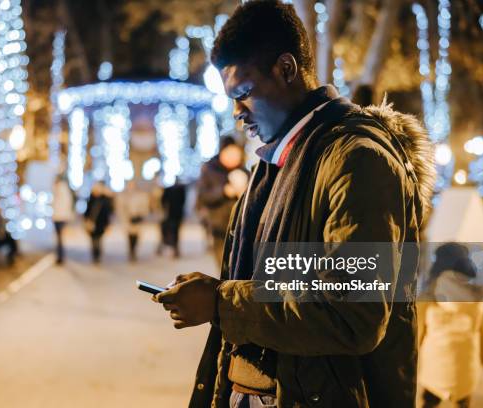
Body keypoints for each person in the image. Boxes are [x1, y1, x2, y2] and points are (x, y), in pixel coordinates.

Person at [153, 1, 436, 407]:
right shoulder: (275, 161)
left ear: (286, 69)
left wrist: (220, 302)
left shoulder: (358, 160)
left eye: (244, 93)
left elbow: (353, 314)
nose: (238, 113)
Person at [417, 243, 483, 408]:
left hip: (434, 370)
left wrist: (412, 357)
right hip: (465, 373)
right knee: (463, 401)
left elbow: (417, 330)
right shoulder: (478, 297)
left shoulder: (429, 295)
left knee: (429, 401)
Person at [196, 136, 248, 264]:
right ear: (222, 153)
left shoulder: (244, 171)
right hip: (219, 224)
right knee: (223, 262)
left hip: (241, 223)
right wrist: (224, 191)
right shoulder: (209, 169)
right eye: (229, 153)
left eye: (236, 154)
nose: (233, 157)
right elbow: (203, 195)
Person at [116, 180, 150, 262]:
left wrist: (140, 214)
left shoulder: (141, 195)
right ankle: (131, 251)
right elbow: (120, 208)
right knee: (129, 236)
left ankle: (134, 250)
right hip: (127, 219)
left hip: (137, 219)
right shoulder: (123, 196)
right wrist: (124, 216)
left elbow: (145, 207)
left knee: (136, 236)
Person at [84, 181, 114, 263]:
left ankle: (98, 254)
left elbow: (108, 212)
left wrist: (107, 224)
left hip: (101, 223)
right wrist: (86, 220)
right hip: (92, 223)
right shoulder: (91, 199)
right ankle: (95, 254)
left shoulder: (105, 199)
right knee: (93, 240)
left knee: (99, 240)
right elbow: (87, 212)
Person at [159, 178, 187, 258]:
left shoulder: (175, 189)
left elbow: (163, 201)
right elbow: (183, 201)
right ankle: (173, 248)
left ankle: (174, 248)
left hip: (173, 214)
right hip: (173, 214)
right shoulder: (180, 189)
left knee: (173, 231)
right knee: (173, 232)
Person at [52, 173, 74, 264]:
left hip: (60, 216)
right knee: (59, 237)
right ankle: (60, 255)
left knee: (59, 237)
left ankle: (60, 256)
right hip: (59, 216)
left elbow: (63, 204)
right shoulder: (60, 189)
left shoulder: (60, 189)